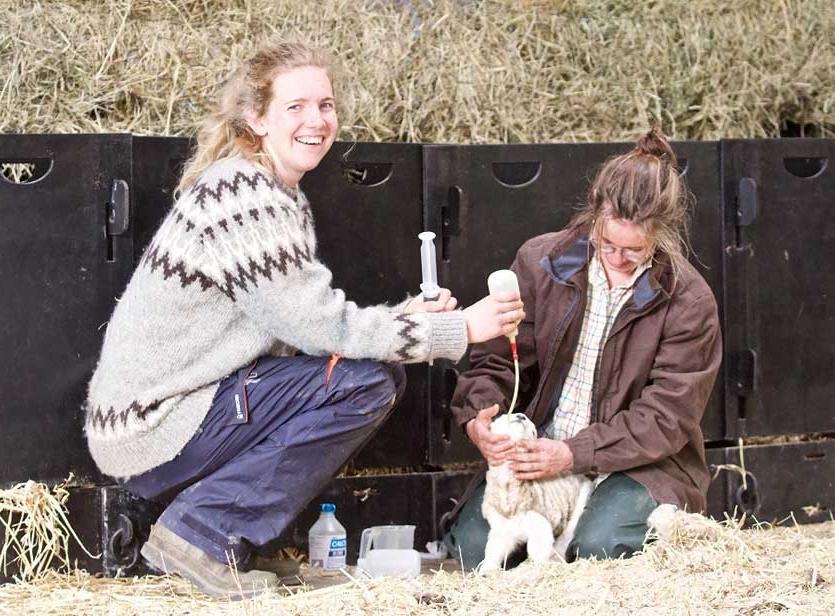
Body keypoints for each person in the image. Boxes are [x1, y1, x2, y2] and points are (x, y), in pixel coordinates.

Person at [84, 41, 524, 597]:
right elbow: (322, 328)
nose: (316, 121)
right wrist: (455, 331)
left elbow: (299, 332)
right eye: (296, 107)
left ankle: (223, 537)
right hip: (153, 423)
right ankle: (203, 532)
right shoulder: (243, 193)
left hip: (187, 407)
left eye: (326, 105)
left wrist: (402, 319)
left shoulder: (276, 193)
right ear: (256, 118)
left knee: (363, 374)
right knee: (365, 383)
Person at [444, 126, 722, 569]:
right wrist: (480, 418)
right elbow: (497, 358)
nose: (615, 258)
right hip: (540, 452)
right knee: (475, 552)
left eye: (632, 251)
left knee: (598, 549)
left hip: (636, 463)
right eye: (606, 243)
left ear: (662, 237)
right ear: (593, 217)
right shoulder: (542, 262)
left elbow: (667, 417)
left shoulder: (688, 299)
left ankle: (638, 518)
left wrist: (574, 454)